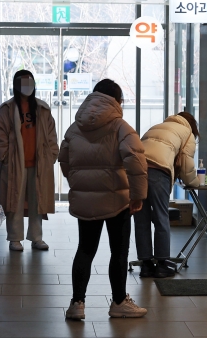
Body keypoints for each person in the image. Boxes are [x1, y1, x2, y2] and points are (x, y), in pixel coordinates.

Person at [58, 79, 148, 320]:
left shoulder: (75, 126)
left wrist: (79, 183)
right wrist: (138, 195)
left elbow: (64, 158)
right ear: (117, 100)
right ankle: (119, 302)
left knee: (85, 250)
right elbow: (135, 160)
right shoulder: (120, 126)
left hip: (86, 200)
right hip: (117, 201)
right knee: (118, 252)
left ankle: (77, 304)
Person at [0, 69, 58, 252]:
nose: (27, 86)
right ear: (16, 85)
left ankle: (37, 238)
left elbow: (51, 134)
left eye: (30, 82)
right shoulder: (8, 109)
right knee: (15, 202)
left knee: (37, 202)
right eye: (23, 82)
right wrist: (4, 156)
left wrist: (51, 155)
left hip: (38, 164)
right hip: (14, 164)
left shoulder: (42, 109)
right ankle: (15, 239)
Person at [134, 111, 200, 278]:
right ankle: (163, 264)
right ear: (191, 125)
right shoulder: (187, 133)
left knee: (141, 219)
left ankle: (146, 265)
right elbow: (186, 165)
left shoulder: (156, 126)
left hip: (137, 172)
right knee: (161, 217)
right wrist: (194, 182)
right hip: (158, 172)